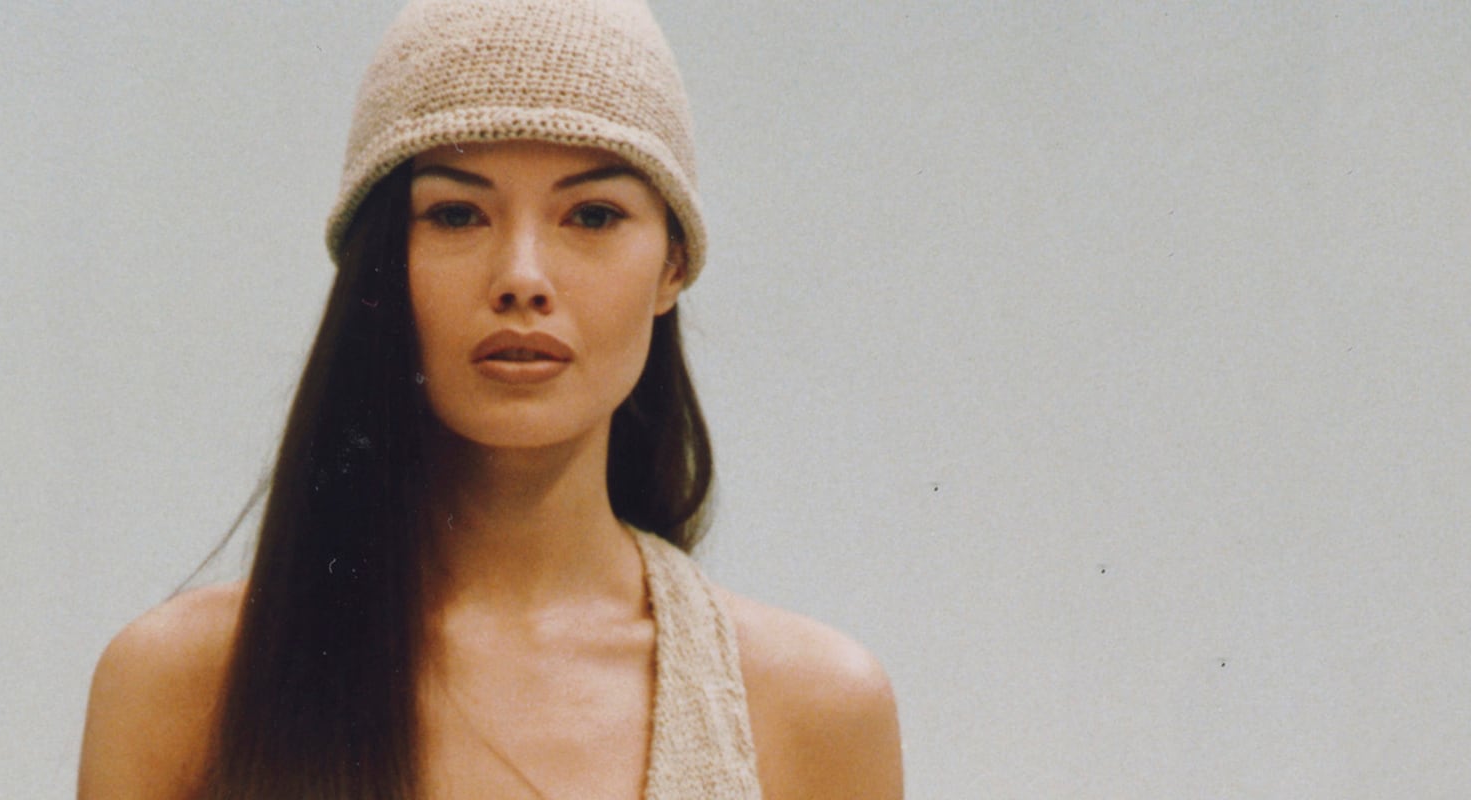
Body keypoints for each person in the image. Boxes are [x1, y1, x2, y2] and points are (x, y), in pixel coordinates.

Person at [77, 1, 902, 797]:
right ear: (378, 265)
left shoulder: (813, 711)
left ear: (673, 265)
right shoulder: (180, 688)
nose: (522, 278)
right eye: (457, 214)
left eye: (593, 215)